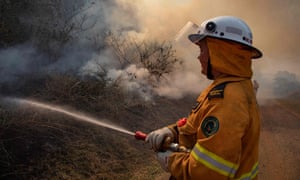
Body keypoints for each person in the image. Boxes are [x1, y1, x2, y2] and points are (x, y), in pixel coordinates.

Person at [146, 16, 263, 180]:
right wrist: (173, 131)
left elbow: (207, 173)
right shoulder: (232, 86)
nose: (199, 57)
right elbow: (199, 124)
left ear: (220, 51)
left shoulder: (228, 99)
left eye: (202, 50)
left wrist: (171, 161)